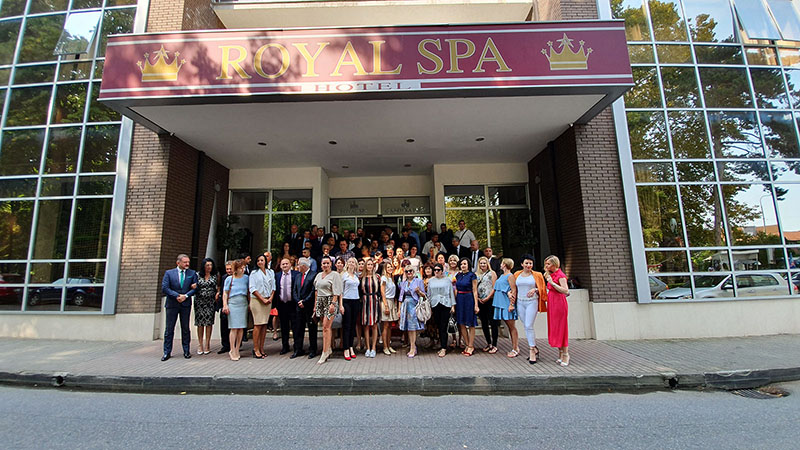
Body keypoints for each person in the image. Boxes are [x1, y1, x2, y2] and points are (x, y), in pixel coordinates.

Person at [161, 254, 198, 360]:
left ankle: (186, 351)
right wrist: (177, 295)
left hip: (185, 304)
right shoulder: (169, 273)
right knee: (169, 329)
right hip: (172, 304)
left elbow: (196, 288)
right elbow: (165, 288)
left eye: (188, 262)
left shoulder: (192, 273)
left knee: (185, 328)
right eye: (185, 262)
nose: (187, 264)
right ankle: (167, 352)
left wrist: (186, 296)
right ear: (178, 263)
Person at [514, 254, 547, 364]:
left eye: (530, 263)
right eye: (526, 263)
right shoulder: (517, 274)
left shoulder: (537, 275)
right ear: (522, 264)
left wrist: (535, 290)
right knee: (525, 325)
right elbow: (513, 287)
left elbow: (543, 288)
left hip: (532, 302)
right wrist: (510, 293)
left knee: (529, 325)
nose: (528, 265)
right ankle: (534, 347)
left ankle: (532, 350)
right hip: (520, 302)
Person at [313, 257, 343, 364]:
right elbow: (316, 291)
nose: (325, 265)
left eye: (327, 263)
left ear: (331, 264)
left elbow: (337, 291)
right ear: (321, 265)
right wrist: (315, 305)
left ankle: (324, 352)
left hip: (330, 300)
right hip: (320, 301)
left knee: (326, 327)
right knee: (324, 327)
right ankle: (328, 348)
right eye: (323, 263)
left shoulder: (335, 275)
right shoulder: (318, 275)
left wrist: (333, 304)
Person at [544, 255, 570, 366]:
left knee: (561, 328)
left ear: (554, 264)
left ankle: (566, 354)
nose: (546, 266)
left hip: (559, 303)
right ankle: (560, 352)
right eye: (546, 264)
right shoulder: (550, 275)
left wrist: (553, 283)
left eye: (548, 264)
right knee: (555, 328)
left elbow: (566, 290)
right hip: (552, 302)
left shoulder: (560, 275)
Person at [222, 259, 249, 361]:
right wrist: (225, 305)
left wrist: (250, 303)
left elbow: (248, 291)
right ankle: (232, 349)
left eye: (244, 267)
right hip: (233, 303)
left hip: (243, 303)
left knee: (241, 327)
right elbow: (225, 293)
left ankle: (237, 348)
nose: (243, 269)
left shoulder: (246, 278)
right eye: (241, 268)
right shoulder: (229, 279)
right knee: (233, 327)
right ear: (236, 269)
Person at [248, 254, 274, 359]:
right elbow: (252, 288)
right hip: (257, 300)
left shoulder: (270, 272)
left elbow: (274, 286)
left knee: (264, 325)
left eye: (262, 260)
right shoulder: (254, 273)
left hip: (268, 300)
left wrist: (270, 298)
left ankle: (262, 348)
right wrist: (262, 299)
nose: (260, 262)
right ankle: (256, 349)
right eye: (258, 260)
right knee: (258, 324)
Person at [398, 262, 426, 358]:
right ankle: (412, 345)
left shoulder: (418, 281)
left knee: (413, 327)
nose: (409, 273)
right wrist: (399, 309)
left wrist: (419, 292)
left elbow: (424, 295)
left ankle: (413, 347)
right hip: (406, 306)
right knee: (409, 328)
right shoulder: (403, 283)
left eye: (410, 271)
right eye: (407, 271)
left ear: (414, 272)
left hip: (414, 305)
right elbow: (400, 297)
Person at [428, 263, 456, 358]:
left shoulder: (447, 280)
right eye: (435, 270)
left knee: (444, 326)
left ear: (442, 271)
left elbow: (451, 292)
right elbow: (429, 294)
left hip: (445, 303)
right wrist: (429, 306)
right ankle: (442, 345)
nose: (436, 272)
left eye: (438, 270)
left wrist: (453, 305)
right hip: (435, 304)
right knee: (439, 326)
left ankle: (444, 347)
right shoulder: (431, 281)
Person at [493, 258, 520, 358]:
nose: (500, 264)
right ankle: (515, 347)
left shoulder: (510, 276)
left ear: (504, 264)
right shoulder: (502, 275)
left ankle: (515, 348)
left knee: (511, 326)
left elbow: (514, 290)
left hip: (506, 303)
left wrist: (511, 304)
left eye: (502, 263)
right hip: (500, 303)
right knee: (508, 325)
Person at [292, 257, 317, 359]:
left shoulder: (313, 275)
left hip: (309, 306)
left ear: (303, 266)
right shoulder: (298, 276)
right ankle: (298, 349)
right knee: (298, 328)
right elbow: (294, 290)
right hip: (299, 307)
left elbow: (313, 291)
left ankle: (313, 350)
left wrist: (305, 301)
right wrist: (298, 300)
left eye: (298, 265)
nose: (297, 266)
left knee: (312, 329)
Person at [454, 257, 479, 356]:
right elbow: (456, 289)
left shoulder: (472, 275)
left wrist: (476, 305)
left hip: (469, 298)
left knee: (471, 323)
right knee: (461, 323)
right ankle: (467, 344)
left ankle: (471, 345)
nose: (463, 266)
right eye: (461, 264)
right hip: (460, 299)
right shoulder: (458, 275)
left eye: (464, 264)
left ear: (468, 265)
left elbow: (475, 290)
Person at [194, 257, 219, 355]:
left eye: (211, 265)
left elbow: (218, 286)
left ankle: (207, 344)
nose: (209, 267)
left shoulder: (215, 275)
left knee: (209, 323)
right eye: (207, 265)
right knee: (200, 323)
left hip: (210, 301)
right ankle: (200, 344)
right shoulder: (197, 275)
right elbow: (194, 285)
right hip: (199, 302)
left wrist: (218, 293)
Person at [274, 258, 299, 355]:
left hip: (292, 304)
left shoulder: (296, 274)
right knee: (284, 326)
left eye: (286, 264)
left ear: (290, 265)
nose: (285, 265)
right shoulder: (277, 275)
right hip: (282, 304)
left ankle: (296, 347)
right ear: (280, 266)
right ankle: (285, 346)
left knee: (295, 326)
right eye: (283, 264)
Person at [476, 256, 499, 353]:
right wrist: (478, 298)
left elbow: (494, 287)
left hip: (490, 300)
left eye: (484, 263)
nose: (482, 265)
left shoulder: (492, 273)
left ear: (487, 264)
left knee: (493, 322)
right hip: (480, 301)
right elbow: (474, 287)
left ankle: (494, 344)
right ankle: (488, 343)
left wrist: (488, 297)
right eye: (481, 263)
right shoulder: (476, 274)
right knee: (484, 322)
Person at [341, 257, 361, 361]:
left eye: (353, 262)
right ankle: (346, 348)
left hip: (355, 300)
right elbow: (341, 291)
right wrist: (341, 305)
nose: (352, 263)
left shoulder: (356, 276)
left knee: (353, 325)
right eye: (350, 262)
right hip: (346, 301)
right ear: (347, 264)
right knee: (347, 326)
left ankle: (351, 347)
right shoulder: (344, 275)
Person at [360, 259, 381, 358]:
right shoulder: (362, 277)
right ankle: (367, 348)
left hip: (375, 300)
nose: (369, 266)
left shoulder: (377, 277)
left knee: (375, 325)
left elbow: (380, 290)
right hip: (365, 301)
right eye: (368, 264)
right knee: (366, 325)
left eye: (371, 264)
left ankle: (373, 348)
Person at [380, 260, 399, 355]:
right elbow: (382, 292)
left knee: (390, 326)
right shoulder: (384, 278)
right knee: (385, 325)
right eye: (388, 267)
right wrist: (386, 306)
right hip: (386, 301)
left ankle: (388, 344)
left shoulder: (392, 278)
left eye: (391, 267)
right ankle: (385, 346)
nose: (390, 268)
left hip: (392, 301)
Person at [216, 261, 233, 354]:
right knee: (224, 325)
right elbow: (222, 290)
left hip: (235, 303)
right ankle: (225, 345)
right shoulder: (224, 277)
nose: (229, 271)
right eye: (227, 269)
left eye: (230, 269)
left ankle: (234, 344)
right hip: (225, 303)